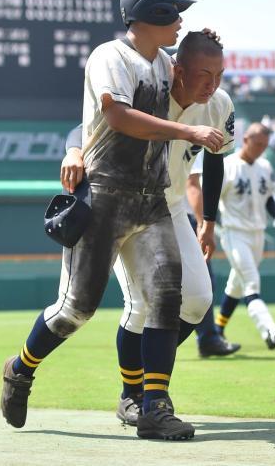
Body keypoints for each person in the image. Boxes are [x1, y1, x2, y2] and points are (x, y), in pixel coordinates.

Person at [1, 0, 224, 441]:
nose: (180, 19)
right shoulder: (110, 56)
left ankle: (153, 407)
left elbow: (188, 76)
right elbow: (115, 116)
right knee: (74, 310)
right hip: (103, 196)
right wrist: (187, 133)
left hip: (153, 197)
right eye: (172, 14)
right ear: (148, 18)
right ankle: (20, 368)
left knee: (166, 299)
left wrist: (203, 46)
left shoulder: (168, 63)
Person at [60, 30, 238, 428]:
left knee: (196, 300)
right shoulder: (152, 86)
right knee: (142, 305)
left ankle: (144, 381)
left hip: (171, 207)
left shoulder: (219, 103)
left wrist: (208, 221)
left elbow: (215, 160)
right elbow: (96, 123)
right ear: (178, 70)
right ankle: (135, 395)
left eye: (220, 75)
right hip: (124, 201)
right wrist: (74, 148)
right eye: (203, 74)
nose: (212, 84)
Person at [213, 123, 275, 350]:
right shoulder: (228, 166)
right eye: (257, 144)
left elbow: (268, 197)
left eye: (264, 146)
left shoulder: (264, 166)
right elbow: (212, 198)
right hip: (234, 233)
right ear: (245, 139)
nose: (260, 149)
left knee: (236, 285)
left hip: (258, 233)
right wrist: (211, 225)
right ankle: (269, 328)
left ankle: (217, 330)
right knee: (251, 282)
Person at [185, 149, 243, 359]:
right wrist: (203, 224)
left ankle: (207, 338)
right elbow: (192, 185)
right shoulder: (192, 138)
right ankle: (207, 339)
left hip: (166, 214)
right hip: (182, 218)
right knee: (202, 282)